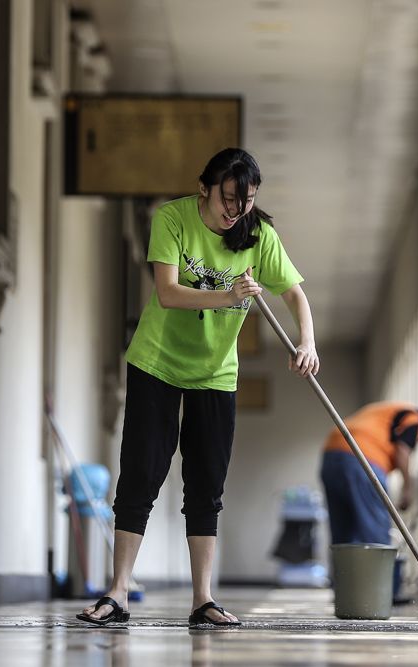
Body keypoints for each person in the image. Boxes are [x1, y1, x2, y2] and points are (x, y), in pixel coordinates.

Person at [78, 148, 319, 628]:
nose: (235, 210)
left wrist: (307, 342)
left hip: (215, 371)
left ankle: (202, 599)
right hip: (157, 363)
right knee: (140, 475)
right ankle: (118, 592)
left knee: (206, 483)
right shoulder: (173, 219)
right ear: (205, 188)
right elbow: (167, 292)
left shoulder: (258, 237)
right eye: (229, 198)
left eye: (246, 201)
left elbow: (294, 292)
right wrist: (228, 295)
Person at [320, 402, 418, 547]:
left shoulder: (387, 412)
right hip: (362, 457)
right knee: (376, 533)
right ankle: (379, 569)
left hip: (331, 455)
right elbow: (402, 450)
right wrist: (407, 488)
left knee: (343, 535)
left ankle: (345, 569)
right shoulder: (414, 417)